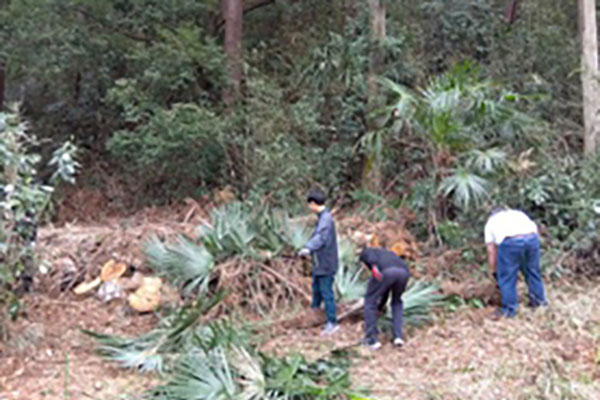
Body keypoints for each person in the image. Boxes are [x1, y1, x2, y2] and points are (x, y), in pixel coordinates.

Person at [485, 207, 548, 318]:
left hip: (510, 241)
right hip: (532, 239)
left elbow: (491, 251)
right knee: (533, 273)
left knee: (507, 278)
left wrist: (494, 271)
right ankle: (539, 304)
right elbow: (534, 231)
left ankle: (510, 310)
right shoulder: (518, 214)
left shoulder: (491, 223)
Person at [298, 188, 340, 336]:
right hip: (319, 263)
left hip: (326, 263)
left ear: (313, 203)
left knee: (326, 292)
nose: (309, 207)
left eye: (310, 204)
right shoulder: (322, 217)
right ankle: (313, 318)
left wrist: (308, 248)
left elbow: (321, 238)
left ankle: (332, 323)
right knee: (316, 291)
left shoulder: (326, 219)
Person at [358, 247, 410, 350]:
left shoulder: (367, 252)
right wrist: (380, 307)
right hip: (404, 273)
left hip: (386, 272)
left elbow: (370, 257)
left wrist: (373, 266)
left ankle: (372, 340)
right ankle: (398, 337)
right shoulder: (387, 253)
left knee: (370, 302)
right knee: (397, 302)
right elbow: (384, 291)